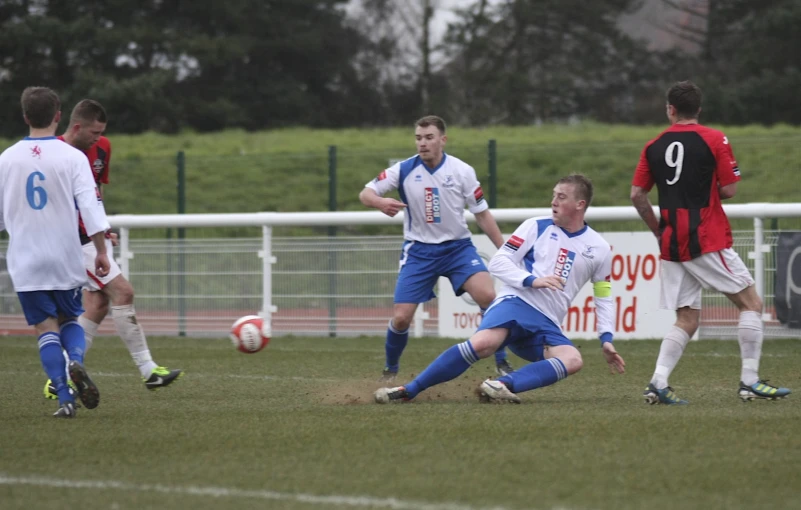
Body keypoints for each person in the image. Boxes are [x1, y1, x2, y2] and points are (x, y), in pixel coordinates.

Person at [375, 174, 626, 404]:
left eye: (561, 197)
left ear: (580, 205)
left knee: (573, 359)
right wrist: (531, 280)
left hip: (548, 321)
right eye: (553, 195)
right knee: (484, 344)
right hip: (515, 302)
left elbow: (603, 295)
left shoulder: (600, 248)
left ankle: (499, 385)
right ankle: (409, 390)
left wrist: (606, 339)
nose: (553, 202)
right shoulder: (535, 226)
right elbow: (498, 261)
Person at [630, 80, 790, 405]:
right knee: (751, 304)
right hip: (706, 238)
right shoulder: (715, 139)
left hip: (672, 242)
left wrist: (659, 230)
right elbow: (730, 189)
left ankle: (658, 382)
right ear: (698, 109)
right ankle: (749, 381)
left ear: (670, 109)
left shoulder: (653, 145)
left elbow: (637, 195)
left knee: (687, 318)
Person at [41, 99, 182, 399]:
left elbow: (95, 194)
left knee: (98, 305)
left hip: (92, 238)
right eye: (93, 132)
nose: (97, 137)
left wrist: (102, 229)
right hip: (71, 242)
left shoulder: (102, 147)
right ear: (76, 127)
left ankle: (60, 378)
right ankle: (148, 369)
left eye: (101, 132)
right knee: (123, 292)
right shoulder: (51, 153)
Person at [359, 115, 513, 381]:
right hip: (419, 252)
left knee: (489, 296)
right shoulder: (404, 169)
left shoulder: (462, 171)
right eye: (419, 138)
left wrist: (506, 250)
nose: (423, 143)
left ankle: (502, 362)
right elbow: (365, 193)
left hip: (458, 249)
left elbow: (482, 214)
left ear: (443, 140)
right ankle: (390, 370)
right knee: (402, 319)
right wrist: (380, 202)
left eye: (429, 137)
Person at [0, 86, 111, 417]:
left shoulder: (5, 160)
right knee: (69, 319)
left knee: (44, 328)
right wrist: (102, 251)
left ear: (25, 116)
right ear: (58, 116)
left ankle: (64, 398)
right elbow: (91, 210)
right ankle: (76, 359)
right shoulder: (74, 158)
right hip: (65, 255)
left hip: (26, 260)